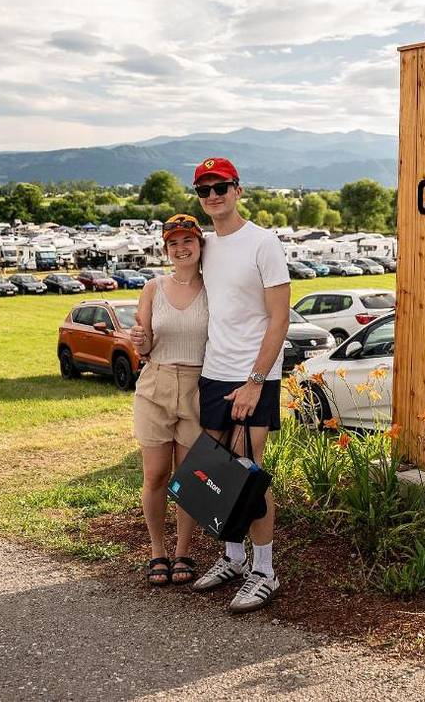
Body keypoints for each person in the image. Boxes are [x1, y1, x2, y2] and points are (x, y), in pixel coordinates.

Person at [190, 157, 290, 613]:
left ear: (238, 189)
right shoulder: (206, 245)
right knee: (219, 472)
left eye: (221, 187)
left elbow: (279, 319)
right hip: (214, 373)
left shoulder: (263, 243)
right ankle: (232, 558)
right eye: (205, 189)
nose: (213, 195)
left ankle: (265, 571)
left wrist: (254, 382)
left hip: (255, 376)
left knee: (249, 471)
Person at [129, 213, 209, 587]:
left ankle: (183, 552)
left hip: (197, 386)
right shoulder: (153, 287)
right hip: (156, 384)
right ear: (166, 249)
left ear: (199, 245)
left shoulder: (213, 287)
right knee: (156, 474)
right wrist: (140, 343)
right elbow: (142, 343)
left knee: (189, 478)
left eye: (187, 241)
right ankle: (157, 551)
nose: (181, 248)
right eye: (173, 243)